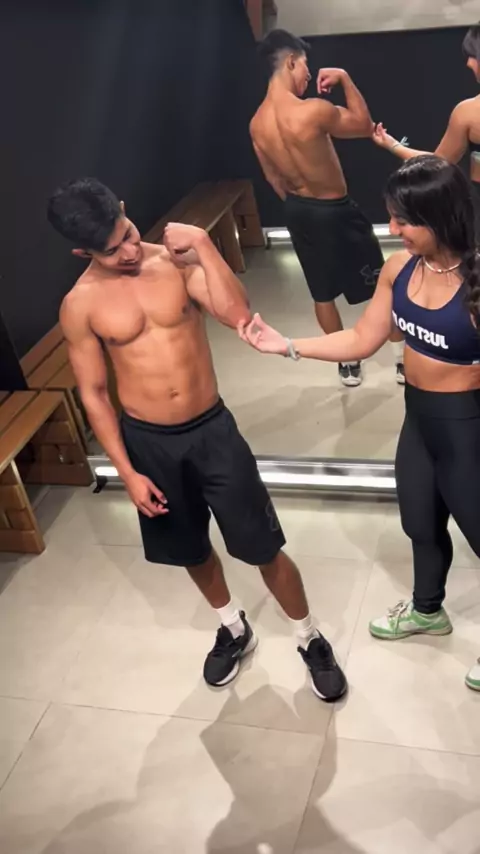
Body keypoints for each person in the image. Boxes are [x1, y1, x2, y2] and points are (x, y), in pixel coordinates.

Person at [46, 177, 347, 702]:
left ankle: (309, 636)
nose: (128, 251)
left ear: (125, 209)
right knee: (190, 549)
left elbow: (238, 316)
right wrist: (127, 472)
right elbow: (94, 394)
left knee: (263, 545)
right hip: (148, 444)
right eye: (111, 251)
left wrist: (205, 246)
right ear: (82, 252)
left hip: (211, 431)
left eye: (128, 234)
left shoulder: (175, 263)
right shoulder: (80, 305)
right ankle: (233, 626)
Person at [238, 155, 480, 693]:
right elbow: (363, 339)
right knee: (420, 523)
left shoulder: (476, 279)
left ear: (439, 217)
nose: (392, 229)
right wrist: (288, 345)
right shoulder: (400, 269)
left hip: (468, 429)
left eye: (404, 220)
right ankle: (427, 609)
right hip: (420, 422)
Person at [250, 28, 405, 387]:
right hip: (336, 210)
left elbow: (273, 179)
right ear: (291, 62)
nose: (308, 74)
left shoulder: (256, 124)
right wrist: (346, 79)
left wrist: (302, 204)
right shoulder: (313, 111)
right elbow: (364, 126)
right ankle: (402, 361)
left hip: (298, 212)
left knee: (322, 293)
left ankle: (347, 363)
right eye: (306, 65)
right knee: (382, 283)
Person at [373, 22, 480, 197]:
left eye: (474, 55)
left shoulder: (467, 112)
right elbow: (439, 162)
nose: (469, 63)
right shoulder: (466, 112)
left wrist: (393, 145)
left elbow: (438, 163)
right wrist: (393, 145)